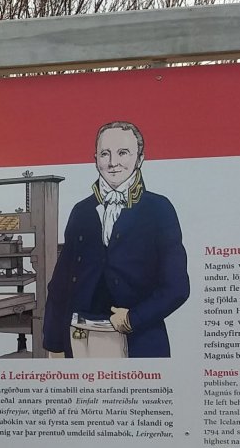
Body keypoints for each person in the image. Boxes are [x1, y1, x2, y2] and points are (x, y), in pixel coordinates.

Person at [42, 120, 189, 357]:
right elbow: (60, 284)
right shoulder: (81, 211)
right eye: (105, 154)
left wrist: (133, 318)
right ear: (95, 159)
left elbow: (177, 287)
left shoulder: (159, 209)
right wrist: (54, 343)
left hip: (139, 342)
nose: (112, 163)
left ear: (139, 158)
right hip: (78, 337)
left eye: (122, 153)